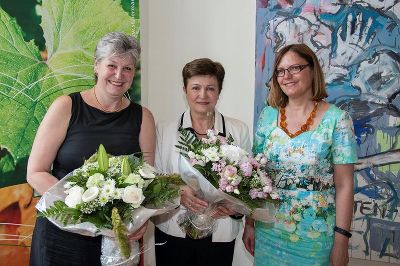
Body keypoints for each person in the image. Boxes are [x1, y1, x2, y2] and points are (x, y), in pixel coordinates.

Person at [27, 32, 156, 266]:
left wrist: (141, 218)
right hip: (61, 233)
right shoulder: (66, 107)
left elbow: (149, 179)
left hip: (115, 241)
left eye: (127, 68)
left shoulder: (143, 117)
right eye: (112, 65)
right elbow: (35, 173)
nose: (119, 75)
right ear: (96, 66)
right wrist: (89, 207)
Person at [242, 44, 357, 266]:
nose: (287, 76)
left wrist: (341, 241)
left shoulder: (337, 120)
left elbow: (345, 185)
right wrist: (249, 224)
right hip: (268, 231)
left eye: (295, 68)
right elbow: (254, 177)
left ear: (312, 70)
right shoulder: (267, 116)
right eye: (281, 71)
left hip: (314, 237)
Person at [153, 58, 251, 266]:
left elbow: (248, 181)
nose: (203, 95)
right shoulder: (165, 129)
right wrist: (179, 192)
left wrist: (233, 205)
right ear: (185, 89)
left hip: (220, 230)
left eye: (210, 88)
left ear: (219, 91)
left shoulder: (238, 129)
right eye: (195, 88)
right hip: (172, 230)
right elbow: (156, 178)